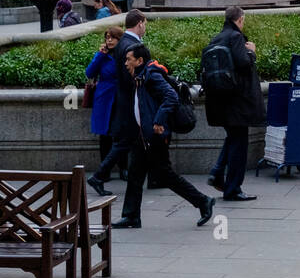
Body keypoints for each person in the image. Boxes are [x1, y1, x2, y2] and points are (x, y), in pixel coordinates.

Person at [110, 43, 216, 229]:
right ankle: (131, 216)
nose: (126, 63)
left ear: (139, 60)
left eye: (129, 59)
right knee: (135, 174)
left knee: (165, 175)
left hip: (155, 136)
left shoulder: (152, 76)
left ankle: (203, 201)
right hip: (143, 136)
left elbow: (171, 97)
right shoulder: (141, 76)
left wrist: (158, 121)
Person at [204, 6, 265, 202]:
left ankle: (217, 172)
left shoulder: (216, 38)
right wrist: (252, 53)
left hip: (220, 100)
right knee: (239, 145)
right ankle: (233, 189)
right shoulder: (236, 37)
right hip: (238, 101)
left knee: (232, 138)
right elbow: (243, 63)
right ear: (239, 20)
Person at [85, 27, 128, 184]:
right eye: (107, 37)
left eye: (113, 38)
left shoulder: (125, 54)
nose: (109, 40)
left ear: (119, 40)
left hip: (120, 98)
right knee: (105, 136)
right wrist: (100, 55)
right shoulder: (103, 56)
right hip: (104, 99)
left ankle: (124, 167)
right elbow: (89, 73)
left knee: (121, 134)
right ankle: (105, 170)